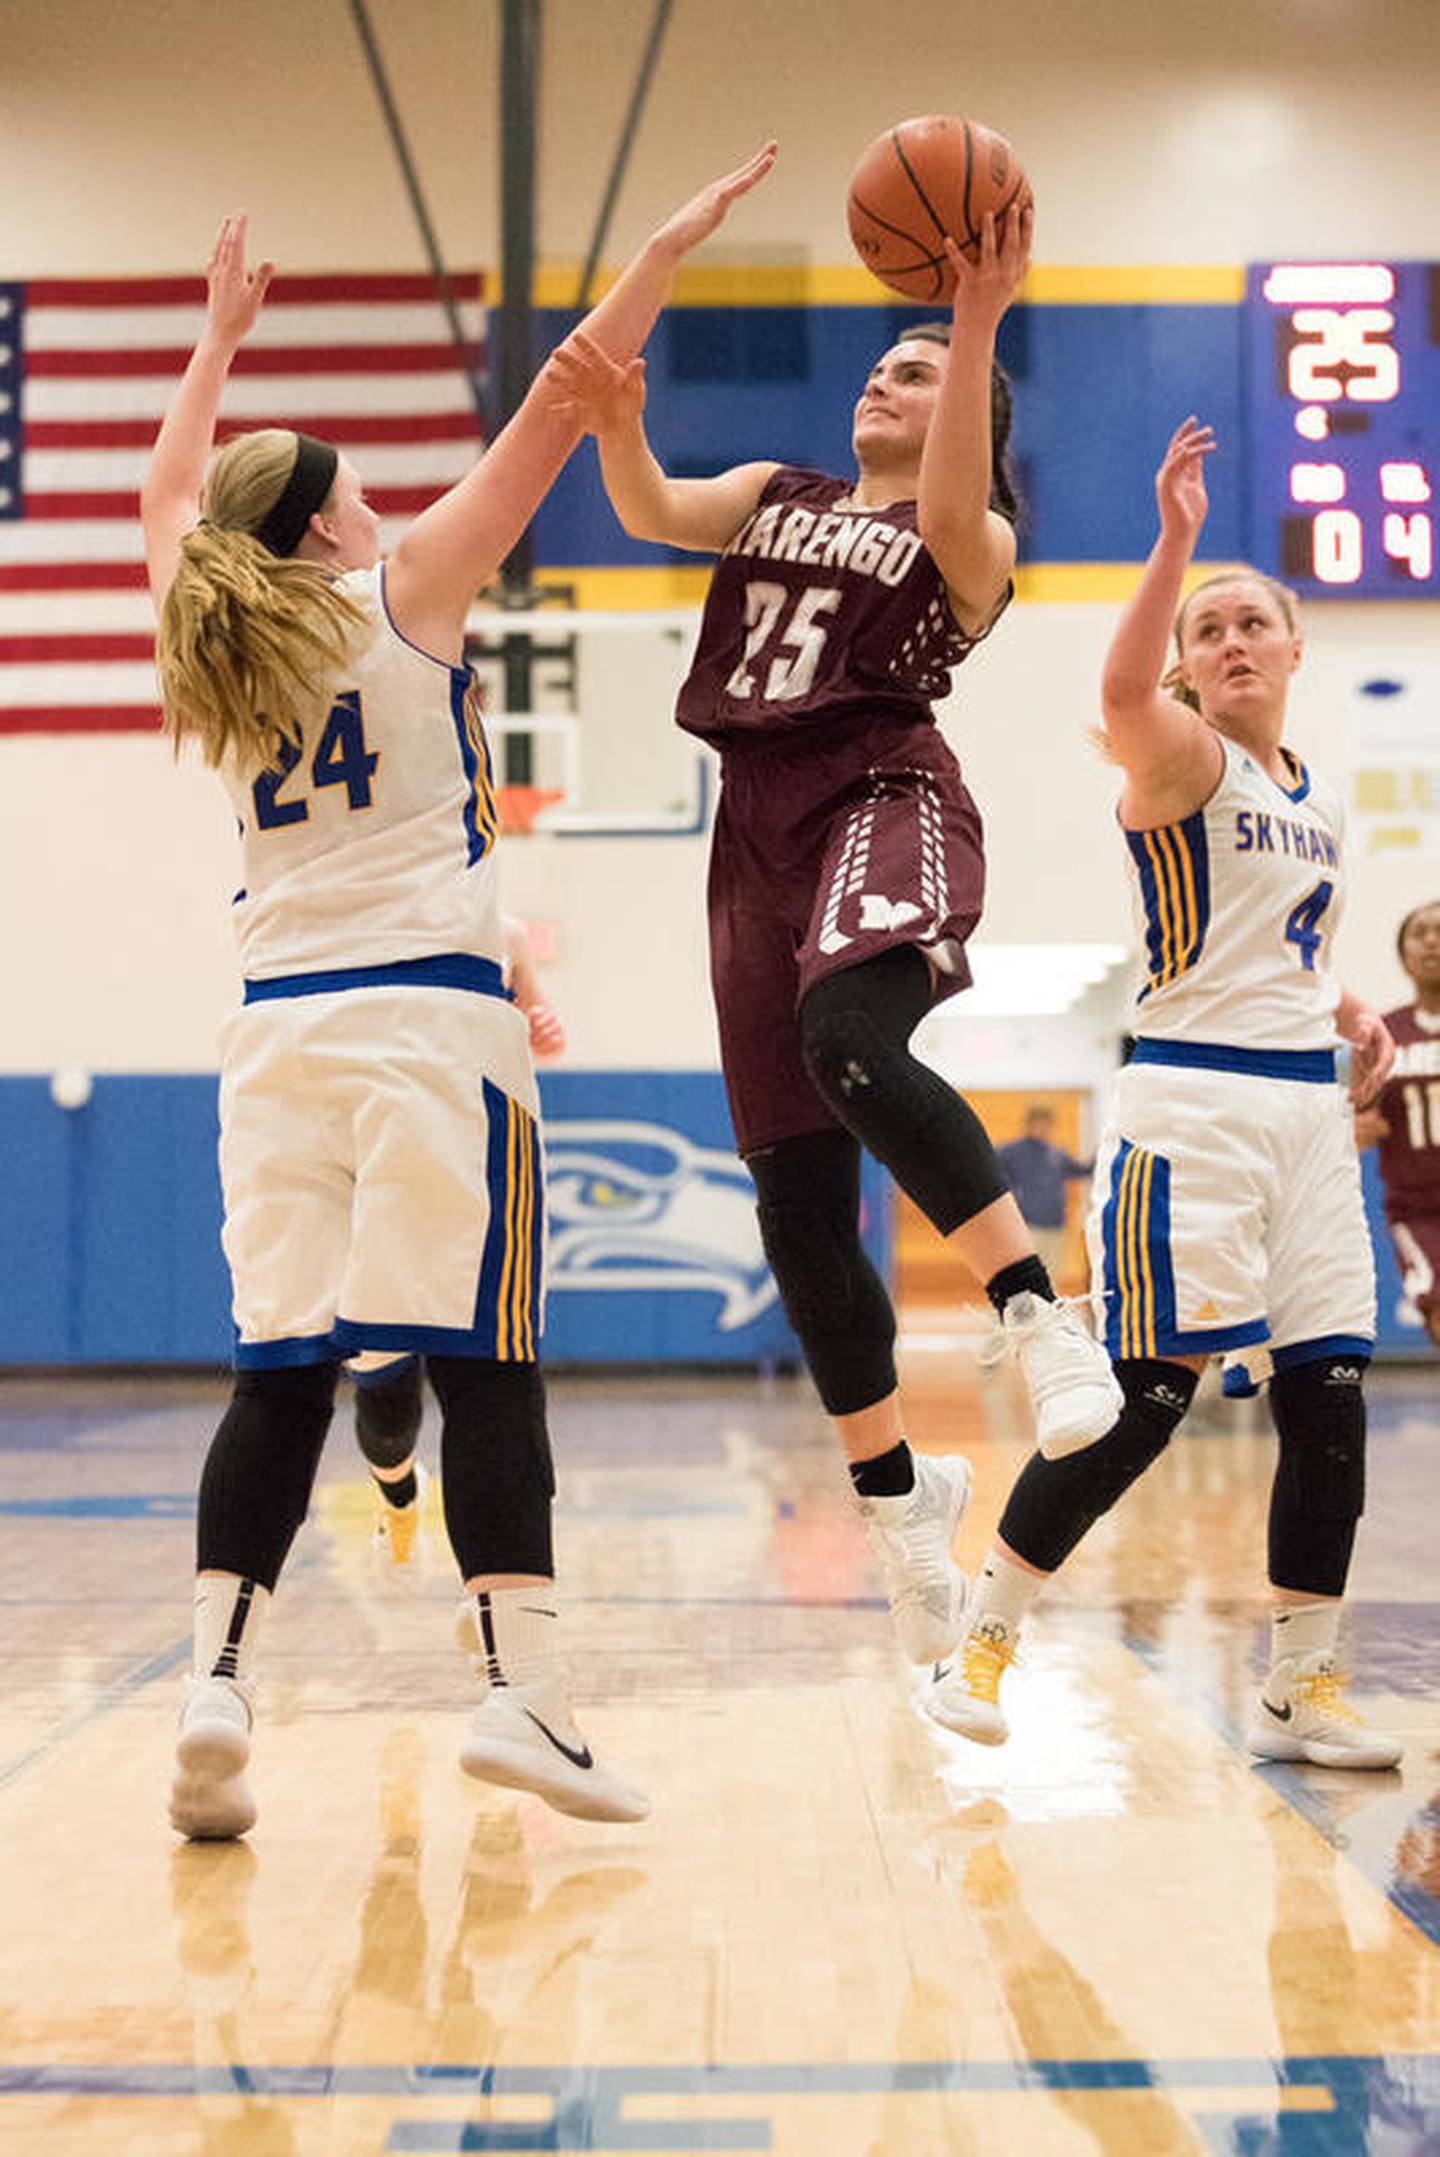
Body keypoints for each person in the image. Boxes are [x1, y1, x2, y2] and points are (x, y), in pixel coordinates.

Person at [142, 148, 776, 1840]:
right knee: (489, 1361)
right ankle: (526, 1696)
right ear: (330, 524)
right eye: (352, 487)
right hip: (429, 1021)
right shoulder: (404, 590)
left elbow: (168, 491)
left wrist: (212, 344)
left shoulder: (208, 636)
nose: (377, 497)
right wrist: (665, 243)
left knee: (278, 1368)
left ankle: (213, 1678)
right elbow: (570, 398)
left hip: (270, 1030)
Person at [549, 206, 1123, 1671]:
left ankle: (1036, 1317)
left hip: (878, 783)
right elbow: (650, 510)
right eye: (881, 369)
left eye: (919, 373)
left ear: (974, 425)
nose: (884, 380)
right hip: (749, 825)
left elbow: (948, 517)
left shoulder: (977, 535)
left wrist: (978, 317)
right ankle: (895, 1501)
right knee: (794, 1198)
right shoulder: (774, 487)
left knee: (849, 1038)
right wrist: (621, 422)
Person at [929, 416, 1402, 1769]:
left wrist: (1345, 1003)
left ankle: (1300, 1684)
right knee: (1148, 1397)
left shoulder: (1313, 796)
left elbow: (1275, 945)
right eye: (1210, 631)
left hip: (1307, 1118)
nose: (1232, 643)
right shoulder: (1179, 761)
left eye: (1254, 623)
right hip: (1190, 1114)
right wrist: (1174, 547)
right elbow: (1125, 690)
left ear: (1298, 649)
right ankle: (987, 1626)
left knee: (1331, 1390)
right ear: (1192, 667)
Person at [356, 913, 567, 1571]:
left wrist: (540, 1023)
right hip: (374, 1171)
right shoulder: (353, 922)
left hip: (473, 1171)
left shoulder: (499, 932)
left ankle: (497, 1594)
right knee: (388, 1410)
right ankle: (398, 1490)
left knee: (489, 1392)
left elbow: (538, 1024)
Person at [1355, 900, 1440, 1349]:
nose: (1431, 941)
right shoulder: (1383, 1034)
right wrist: (1358, 1129)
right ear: (1404, 955)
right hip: (1420, 1208)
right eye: (1420, 932)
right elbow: (1355, 1120)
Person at [995, 1105, 1092, 1282]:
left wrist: (1102, 1155)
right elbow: (994, 1177)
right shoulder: (1009, 1151)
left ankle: (1048, 1309)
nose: (1043, 1129)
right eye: (1039, 1124)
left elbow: (1081, 1170)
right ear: (1028, 1124)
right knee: (1025, 1275)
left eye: (1047, 1125)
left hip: (1055, 1223)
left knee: (1052, 1274)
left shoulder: (1056, 1153)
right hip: (1027, 1223)